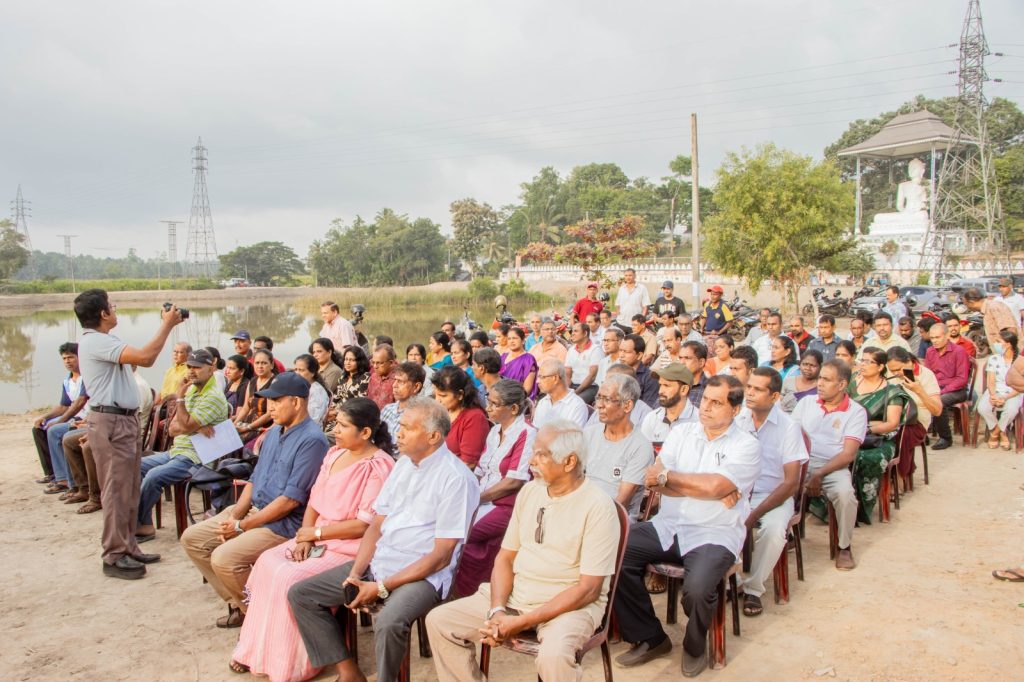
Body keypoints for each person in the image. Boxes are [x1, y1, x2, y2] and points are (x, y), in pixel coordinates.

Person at [287, 398, 478, 682]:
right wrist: (355, 574)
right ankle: (348, 671)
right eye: (400, 426)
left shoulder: (456, 479)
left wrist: (381, 587)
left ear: (433, 437)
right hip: (381, 562)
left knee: (389, 622)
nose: (398, 434)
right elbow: (376, 525)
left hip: (422, 575)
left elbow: (441, 556)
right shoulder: (403, 466)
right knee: (301, 594)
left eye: (407, 428)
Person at [426, 419, 620, 682]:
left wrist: (522, 622)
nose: (531, 461)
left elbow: (588, 589)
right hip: (517, 596)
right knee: (440, 621)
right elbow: (505, 558)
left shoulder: (598, 506)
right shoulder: (530, 491)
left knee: (553, 657)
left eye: (542, 455)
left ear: (569, 462)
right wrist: (497, 610)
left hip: (569, 608)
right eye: (533, 452)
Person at [229, 398, 395, 680]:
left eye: (343, 426)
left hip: (349, 547)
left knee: (287, 578)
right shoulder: (334, 454)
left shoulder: (378, 466)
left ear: (365, 432)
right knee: (267, 562)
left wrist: (316, 534)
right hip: (317, 537)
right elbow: (314, 501)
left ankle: (291, 662)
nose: (335, 430)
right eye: (336, 424)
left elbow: (363, 526)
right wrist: (305, 538)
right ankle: (256, 650)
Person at [613, 375, 760, 676]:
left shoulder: (746, 445)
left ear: (735, 409)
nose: (706, 407)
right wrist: (708, 488)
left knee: (697, 590)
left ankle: (694, 645)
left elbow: (712, 485)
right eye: (705, 399)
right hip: (668, 526)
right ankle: (650, 637)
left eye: (716, 403)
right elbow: (653, 479)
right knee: (613, 551)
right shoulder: (682, 433)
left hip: (714, 533)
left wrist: (673, 479)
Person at [181, 372, 330, 627]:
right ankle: (242, 606)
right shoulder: (274, 432)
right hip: (255, 511)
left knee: (224, 559)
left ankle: (259, 620)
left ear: (296, 402)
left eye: (276, 401)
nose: (270, 407)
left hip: (283, 523)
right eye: (269, 401)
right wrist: (235, 516)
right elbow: (254, 478)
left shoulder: (312, 440)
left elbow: (290, 501)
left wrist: (241, 526)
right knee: (192, 539)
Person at [73, 289, 183, 579]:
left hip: (122, 421)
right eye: (112, 305)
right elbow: (145, 358)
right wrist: (167, 325)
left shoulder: (103, 340)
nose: (115, 309)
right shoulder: (96, 341)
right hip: (112, 422)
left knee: (129, 487)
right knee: (116, 490)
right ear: (103, 313)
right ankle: (114, 554)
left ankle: (128, 545)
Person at [136, 349, 231, 542]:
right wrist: (195, 427)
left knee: (154, 476)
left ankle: (140, 525)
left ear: (211, 368)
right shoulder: (194, 390)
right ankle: (143, 521)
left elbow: (184, 425)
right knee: (134, 467)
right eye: (190, 367)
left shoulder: (213, 396)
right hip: (178, 452)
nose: (192, 371)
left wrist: (180, 400)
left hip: (197, 458)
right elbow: (172, 429)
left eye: (197, 367)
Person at [736, 367, 808, 617]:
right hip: (739, 492)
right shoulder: (737, 419)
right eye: (748, 387)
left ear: (775, 396)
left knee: (774, 530)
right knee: (715, 520)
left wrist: (754, 514)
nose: (749, 393)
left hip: (775, 495)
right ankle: (730, 581)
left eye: (758, 389)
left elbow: (791, 483)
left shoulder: (788, 427)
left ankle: (753, 588)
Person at [453, 380, 537, 597]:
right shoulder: (495, 431)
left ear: (514, 408)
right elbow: (481, 470)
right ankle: (456, 587)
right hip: (484, 498)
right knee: (447, 523)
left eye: (494, 404)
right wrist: (464, 492)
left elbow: (514, 482)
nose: (488, 408)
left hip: (506, 505)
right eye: (488, 401)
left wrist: (476, 498)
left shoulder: (526, 434)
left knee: (463, 533)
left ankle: (467, 591)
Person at [792, 360, 867, 570]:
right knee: (777, 484)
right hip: (802, 461)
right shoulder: (806, 403)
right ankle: (786, 534)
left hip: (833, 466)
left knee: (846, 495)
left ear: (842, 384)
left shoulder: (856, 412)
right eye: (820, 378)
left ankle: (844, 547)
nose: (819, 383)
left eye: (826, 379)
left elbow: (848, 454)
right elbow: (791, 437)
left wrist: (819, 474)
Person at [847, 348, 909, 523]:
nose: (863, 365)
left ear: (881, 366)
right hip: (849, 434)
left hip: (878, 440)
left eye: (868, 362)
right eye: (862, 360)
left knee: (868, 459)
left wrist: (866, 428)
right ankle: (835, 504)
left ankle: (860, 508)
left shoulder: (892, 391)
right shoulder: (851, 384)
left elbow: (891, 423)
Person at [584, 374, 654, 521]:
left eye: (607, 399)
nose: (599, 405)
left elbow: (622, 501)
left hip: (612, 520)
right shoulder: (589, 433)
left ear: (627, 406)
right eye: (598, 398)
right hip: (581, 509)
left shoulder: (640, 447)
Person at [32, 343, 88, 491]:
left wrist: (60, 421)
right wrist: (45, 417)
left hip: (83, 418)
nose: (67, 361)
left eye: (71, 357)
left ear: (80, 357)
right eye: (64, 358)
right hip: (72, 417)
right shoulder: (67, 381)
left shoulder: (87, 376)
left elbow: (79, 402)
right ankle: (52, 473)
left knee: (54, 430)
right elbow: (64, 406)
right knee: (38, 428)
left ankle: (63, 479)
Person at [885, 347, 942, 481]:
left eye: (899, 369)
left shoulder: (926, 375)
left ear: (909, 361)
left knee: (902, 434)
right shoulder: (888, 374)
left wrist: (919, 390)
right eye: (892, 370)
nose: (896, 373)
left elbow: (937, 411)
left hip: (916, 421)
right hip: (892, 417)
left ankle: (900, 476)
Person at [923, 322, 971, 451]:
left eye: (938, 337)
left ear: (947, 336)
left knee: (939, 401)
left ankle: (945, 437)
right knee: (916, 396)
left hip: (956, 390)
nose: (934, 341)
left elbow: (962, 379)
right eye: (932, 338)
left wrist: (942, 391)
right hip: (936, 387)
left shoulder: (959, 351)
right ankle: (921, 433)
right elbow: (927, 374)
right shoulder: (930, 351)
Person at [434, 365, 490, 468]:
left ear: (460, 394)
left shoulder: (474, 418)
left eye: (443, 396)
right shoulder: (442, 411)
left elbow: (469, 463)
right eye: (436, 395)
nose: (437, 400)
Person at [977, 329, 1021, 450]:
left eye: (998, 341)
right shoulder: (994, 359)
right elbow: (991, 381)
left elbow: (1021, 386)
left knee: (1011, 410)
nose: (995, 344)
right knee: (983, 408)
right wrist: (993, 395)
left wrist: (1005, 398)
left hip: (1013, 392)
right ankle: (1002, 432)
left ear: (1008, 344)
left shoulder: (1020, 361)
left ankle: (995, 433)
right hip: (995, 391)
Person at [639, 363, 698, 447]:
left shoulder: (699, 422)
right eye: (660, 385)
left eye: (666, 385)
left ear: (684, 390)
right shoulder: (652, 418)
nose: (660, 391)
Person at [233, 349, 278, 443]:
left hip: (263, 428)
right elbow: (246, 408)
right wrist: (235, 424)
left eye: (264, 363)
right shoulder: (252, 381)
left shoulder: (274, 382)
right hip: (248, 424)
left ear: (272, 365)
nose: (260, 366)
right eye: (257, 363)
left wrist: (248, 427)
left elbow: (269, 414)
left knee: (238, 444)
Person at [324, 346, 372, 434]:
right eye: (346, 359)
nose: (348, 363)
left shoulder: (365, 377)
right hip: (335, 414)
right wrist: (329, 411)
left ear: (359, 361)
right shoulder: (343, 377)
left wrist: (336, 412)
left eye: (352, 360)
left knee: (327, 434)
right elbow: (336, 398)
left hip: (350, 415)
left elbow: (360, 401)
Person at [533, 359, 589, 429]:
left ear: (555, 378)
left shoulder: (577, 406)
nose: (537, 381)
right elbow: (535, 431)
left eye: (542, 377)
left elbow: (574, 435)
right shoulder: (542, 402)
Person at [380, 361, 425, 441]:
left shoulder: (419, 417)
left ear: (416, 387)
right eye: (395, 380)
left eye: (400, 382)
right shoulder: (387, 409)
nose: (394, 385)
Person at [619, 334, 659, 408]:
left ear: (640, 355)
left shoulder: (650, 377)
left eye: (626, 352)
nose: (621, 355)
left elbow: (647, 407)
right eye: (620, 350)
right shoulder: (615, 372)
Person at [565, 322, 601, 405]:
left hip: (591, 387)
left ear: (585, 333)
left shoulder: (596, 349)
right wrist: (566, 390)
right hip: (573, 386)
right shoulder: (571, 350)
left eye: (576, 331)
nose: (572, 334)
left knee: (575, 403)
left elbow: (592, 376)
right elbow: (567, 374)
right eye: (572, 331)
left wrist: (576, 392)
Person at [500, 326, 539, 397]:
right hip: (499, 396)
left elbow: (527, 389)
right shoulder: (503, 357)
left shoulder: (528, 359)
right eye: (509, 339)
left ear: (523, 340)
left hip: (517, 398)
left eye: (515, 338)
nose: (511, 341)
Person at [294, 354, 331, 425]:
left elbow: (312, 420)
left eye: (301, 370)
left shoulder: (317, 392)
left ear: (312, 373)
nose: (297, 373)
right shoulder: (301, 387)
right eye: (296, 369)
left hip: (307, 429)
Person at [680, 340, 711, 408]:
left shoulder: (710, 388)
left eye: (687, 358)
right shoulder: (674, 384)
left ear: (701, 362)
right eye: (680, 358)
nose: (682, 362)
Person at [367, 344, 397, 409]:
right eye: (373, 362)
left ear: (391, 363)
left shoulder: (398, 380)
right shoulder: (373, 377)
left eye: (379, 363)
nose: (375, 366)